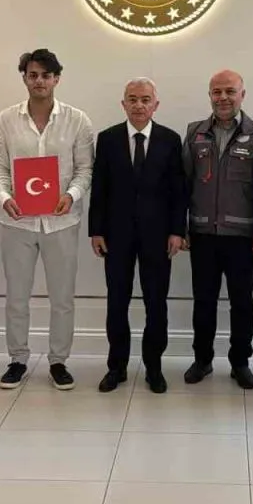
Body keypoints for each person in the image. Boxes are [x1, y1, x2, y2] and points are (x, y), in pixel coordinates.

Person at [0, 48, 95, 390]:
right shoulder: (6, 119)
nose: (39, 81)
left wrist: (71, 195)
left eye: (46, 75)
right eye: (33, 75)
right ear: (24, 77)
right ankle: (17, 359)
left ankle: (58, 361)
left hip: (61, 222)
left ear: (56, 79)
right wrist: (4, 198)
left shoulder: (77, 120)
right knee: (16, 297)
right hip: (17, 222)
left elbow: (85, 170)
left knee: (62, 298)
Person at [90, 78, 187, 394]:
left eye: (145, 99)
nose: (139, 105)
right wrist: (96, 230)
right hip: (116, 235)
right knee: (116, 302)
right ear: (123, 104)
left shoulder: (170, 139)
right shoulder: (107, 139)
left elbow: (178, 191)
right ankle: (116, 367)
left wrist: (177, 231)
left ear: (155, 105)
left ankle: (154, 367)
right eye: (132, 99)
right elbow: (100, 188)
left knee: (156, 303)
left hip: (158, 237)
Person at [182, 69, 253, 389]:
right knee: (203, 302)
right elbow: (182, 183)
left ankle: (240, 362)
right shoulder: (195, 133)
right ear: (209, 96)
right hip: (203, 233)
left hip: (242, 236)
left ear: (242, 95)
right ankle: (202, 360)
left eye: (230, 91)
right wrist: (181, 226)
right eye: (217, 92)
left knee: (241, 303)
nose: (223, 98)